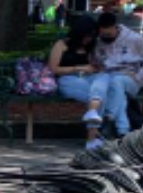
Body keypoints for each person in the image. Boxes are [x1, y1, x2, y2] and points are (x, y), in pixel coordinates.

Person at [91, 12, 143, 137]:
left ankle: (109, 119)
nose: (104, 36)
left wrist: (142, 75)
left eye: (108, 33)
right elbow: (96, 61)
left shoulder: (133, 39)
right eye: (102, 33)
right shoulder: (99, 41)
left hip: (131, 78)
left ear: (115, 27)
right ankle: (122, 130)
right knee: (113, 89)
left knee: (117, 82)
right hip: (107, 77)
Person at [48, 15, 113, 149]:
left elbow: (93, 66)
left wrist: (95, 67)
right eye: (87, 36)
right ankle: (92, 139)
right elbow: (53, 68)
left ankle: (92, 114)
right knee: (100, 97)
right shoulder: (61, 45)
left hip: (87, 79)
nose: (88, 39)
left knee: (104, 78)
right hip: (67, 80)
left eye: (91, 36)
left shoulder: (90, 46)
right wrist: (79, 68)